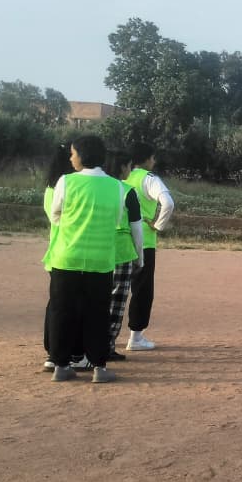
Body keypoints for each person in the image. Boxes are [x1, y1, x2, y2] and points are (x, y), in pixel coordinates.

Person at [45, 134, 123, 383]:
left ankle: (60, 365)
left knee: (62, 311)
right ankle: (99, 367)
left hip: (67, 258)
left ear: (82, 155)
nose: (71, 158)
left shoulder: (66, 181)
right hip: (100, 262)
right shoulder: (117, 186)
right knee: (98, 314)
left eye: (73, 153)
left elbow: (55, 215)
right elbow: (117, 220)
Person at [124, 143, 175, 352]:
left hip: (120, 239)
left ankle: (106, 336)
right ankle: (135, 337)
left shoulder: (121, 176)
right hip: (144, 241)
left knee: (114, 289)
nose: (154, 162)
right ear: (146, 159)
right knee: (141, 290)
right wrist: (158, 225)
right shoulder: (149, 178)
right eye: (153, 158)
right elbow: (168, 203)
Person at [102, 150, 144, 362]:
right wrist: (140, 256)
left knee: (95, 300)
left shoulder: (97, 188)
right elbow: (137, 228)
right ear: (121, 167)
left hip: (97, 250)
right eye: (129, 166)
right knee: (116, 302)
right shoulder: (127, 191)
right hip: (121, 252)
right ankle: (107, 345)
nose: (130, 170)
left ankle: (88, 344)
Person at [40, 143, 75, 372]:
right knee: (70, 306)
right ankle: (63, 353)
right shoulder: (69, 187)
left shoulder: (50, 188)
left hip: (56, 252)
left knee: (56, 305)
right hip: (70, 253)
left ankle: (53, 353)